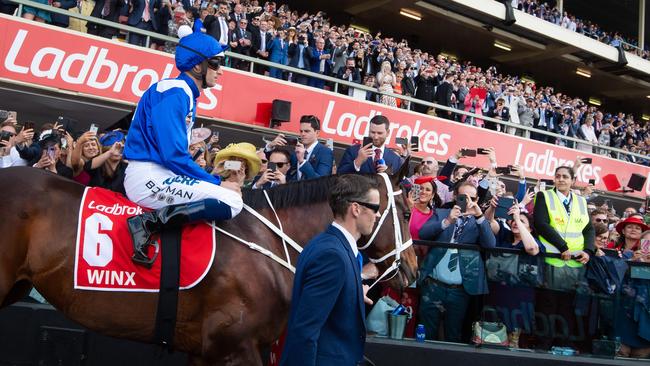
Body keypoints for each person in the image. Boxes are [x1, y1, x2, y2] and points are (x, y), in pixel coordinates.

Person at [123, 25, 243, 268]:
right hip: (148, 176)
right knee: (232, 201)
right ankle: (147, 223)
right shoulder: (175, 91)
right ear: (197, 66)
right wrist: (217, 183)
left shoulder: (183, 93)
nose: (221, 71)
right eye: (217, 63)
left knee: (232, 193)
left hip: (159, 174)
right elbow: (173, 155)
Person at [280, 174, 378, 366]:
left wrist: (355, 293)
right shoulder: (332, 255)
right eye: (375, 208)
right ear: (356, 209)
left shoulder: (331, 245)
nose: (378, 214)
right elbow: (305, 330)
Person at [418, 181, 496, 342]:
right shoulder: (441, 213)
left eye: (472, 198)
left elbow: (490, 244)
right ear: (454, 197)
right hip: (433, 286)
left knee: (453, 334)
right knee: (426, 332)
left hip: (460, 290)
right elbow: (423, 233)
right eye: (463, 197)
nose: (468, 202)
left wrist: (480, 216)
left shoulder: (479, 221)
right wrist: (447, 221)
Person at [337, 115, 403, 174]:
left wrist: (389, 173)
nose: (376, 137)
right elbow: (339, 174)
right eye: (373, 132)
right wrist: (357, 162)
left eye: (379, 133)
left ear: (388, 133)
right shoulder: (352, 151)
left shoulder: (396, 159)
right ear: (368, 130)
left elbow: (405, 185)